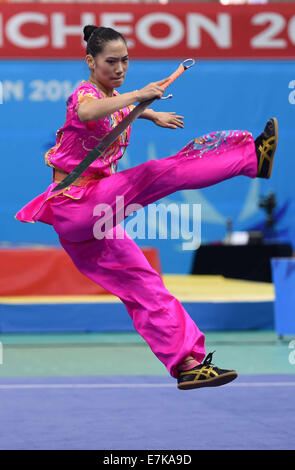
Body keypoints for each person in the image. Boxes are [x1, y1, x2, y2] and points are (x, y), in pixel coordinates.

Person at [15, 25, 278, 390]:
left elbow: (112, 115)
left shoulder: (116, 95)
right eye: (111, 61)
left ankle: (187, 363)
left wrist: (149, 114)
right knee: (158, 172)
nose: (120, 68)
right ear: (90, 61)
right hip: (76, 205)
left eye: (125, 60)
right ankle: (251, 156)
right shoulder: (85, 93)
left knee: (145, 285)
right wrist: (139, 97)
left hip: (93, 226)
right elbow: (90, 113)